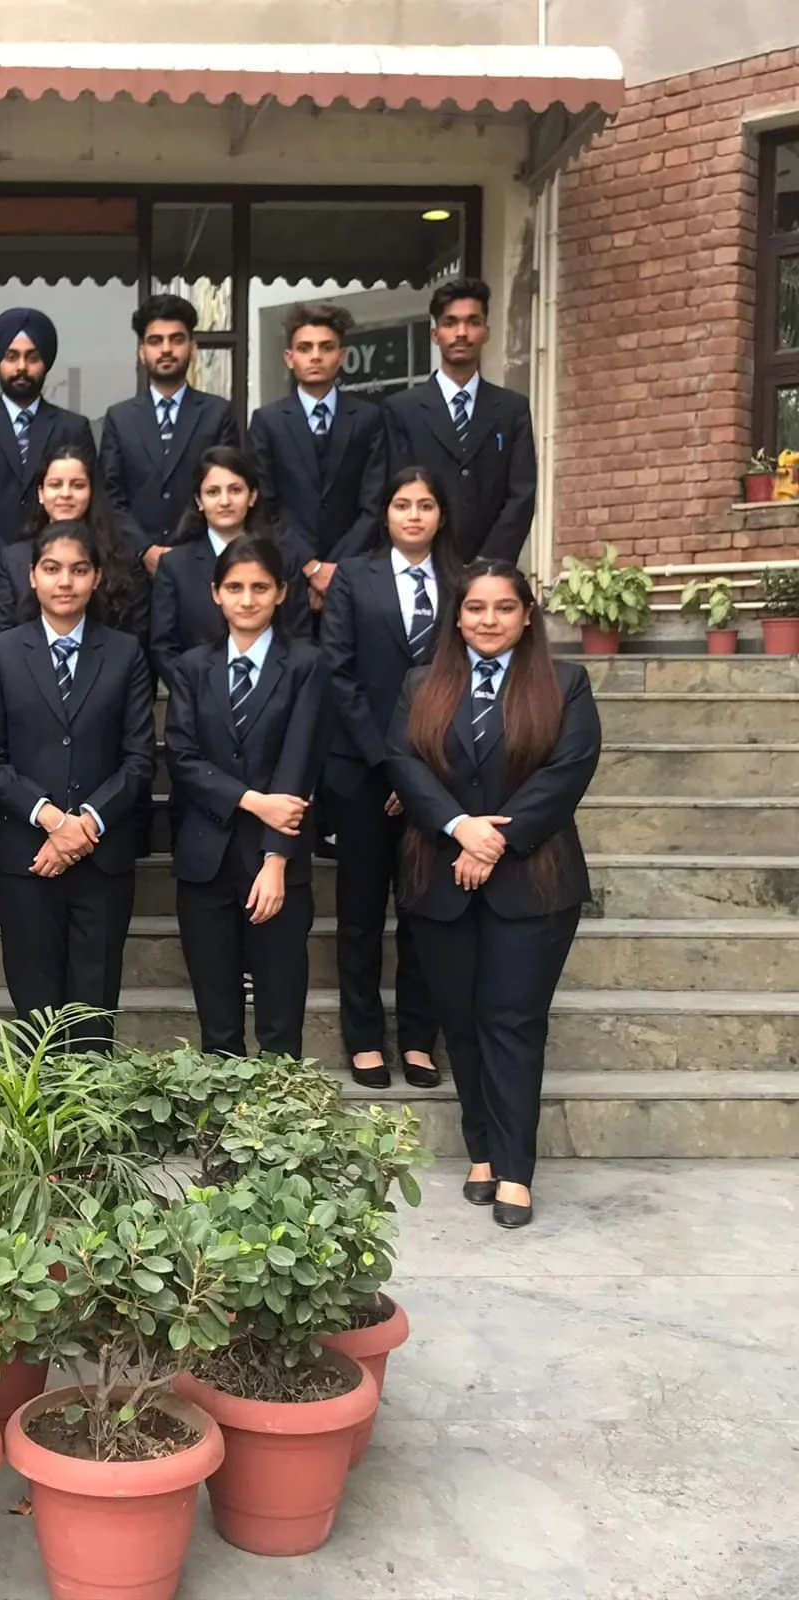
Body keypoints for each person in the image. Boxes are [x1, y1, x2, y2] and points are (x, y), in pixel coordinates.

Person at [386, 560, 601, 1229]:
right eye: (475, 607)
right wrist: (459, 827)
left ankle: (515, 1169)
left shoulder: (565, 683)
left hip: (534, 883)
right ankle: (480, 1151)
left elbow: (569, 770)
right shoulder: (421, 683)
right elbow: (404, 763)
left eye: (504, 607)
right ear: (457, 617)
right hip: (439, 877)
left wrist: (495, 840)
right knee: (461, 1021)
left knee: (513, 1022)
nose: (489, 620)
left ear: (527, 615)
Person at [0, 521, 155, 1041]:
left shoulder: (125, 653)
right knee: (36, 1019)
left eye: (78, 569)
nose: (65, 581)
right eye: (52, 569)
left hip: (103, 861)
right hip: (29, 860)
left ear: (97, 577)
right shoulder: (2, 652)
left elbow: (139, 758)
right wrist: (53, 820)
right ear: (33, 576)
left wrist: (85, 825)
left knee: (94, 1019)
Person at [319, 467, 459, 1090]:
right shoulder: (354, 577)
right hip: (364, 770)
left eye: (426, 505)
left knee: (424, 909)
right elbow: (338, 673)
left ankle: (420, 1038)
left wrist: (422, 769)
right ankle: (365, 1037)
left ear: (441, 514)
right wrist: (390, 763)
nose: (414, 515)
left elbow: (465, 675)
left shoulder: (461, 582)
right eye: (403, 504)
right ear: (386, 513)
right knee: (361, 910)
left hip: (441, 773)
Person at [164, 535, 327, 1058]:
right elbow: (183, 757)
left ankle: (279, 1110)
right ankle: (222, 1112)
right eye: (235, 587)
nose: (247, 599)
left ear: (281, 592)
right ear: (216, 593)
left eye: (260, 587)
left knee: (279, 1020)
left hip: (275, 860)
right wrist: (253, 801)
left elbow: (300, 759)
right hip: (205, 860)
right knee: (218, 1023)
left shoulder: (305, 664)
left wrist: (276, 858)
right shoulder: (192, 667)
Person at [0, 307, 95, 859]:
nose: (22, 366)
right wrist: (17, 559)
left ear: (45, 362)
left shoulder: (73, 427)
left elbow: (86, 499)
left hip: (66, 582)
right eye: (12, 356)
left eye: (31, 356)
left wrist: (48, 562)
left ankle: (67, 810)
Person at [246, 302, 387, 617]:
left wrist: (336, 567)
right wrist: (310, 566)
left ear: (342, 356)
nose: (315, 356)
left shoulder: (369, 418)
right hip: (288, 573)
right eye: (305, 348)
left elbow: (374, 503)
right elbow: (265, 505)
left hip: (354, 572)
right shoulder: (267, 421)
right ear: (289, 358)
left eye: (326, 347)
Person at [383, 277, 537, 564]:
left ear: (486, 332)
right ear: (435, 334)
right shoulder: (401, 410)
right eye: (450, 323)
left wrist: (489, 561)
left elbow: (522, 493)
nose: (462, 333)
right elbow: (397, 492)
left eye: (473, 322)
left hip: (492, 567)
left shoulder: (512, 408)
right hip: (425, 564)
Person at [149, 445, 314, 692]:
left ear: (252, 496)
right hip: (197, 700)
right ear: (199, 501)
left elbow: (299, 637)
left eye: (235, 490)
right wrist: (199, 696)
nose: (224, 501)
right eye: (213, 492)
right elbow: (164, 647)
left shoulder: (283, 558)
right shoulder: (175, 565)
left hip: (276, 698)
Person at [100, 293, 241, 578]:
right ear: (142, 352)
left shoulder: (218, 413)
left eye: (176, 339)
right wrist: (145, 550)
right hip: (134, 570)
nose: (166, 349)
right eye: (155, 341)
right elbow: (110, 495)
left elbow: (228, 489)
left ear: (193, 347)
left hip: (202, 566)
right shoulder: (120, 418)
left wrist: (183, 551)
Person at [0, 444, 150, 641]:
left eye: (78, 485)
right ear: (40, 493)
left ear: (92, 492)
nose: (65, 494)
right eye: (55, 484)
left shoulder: (124, 557)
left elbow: (134, 638)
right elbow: (2, 639)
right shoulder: (12, 559)